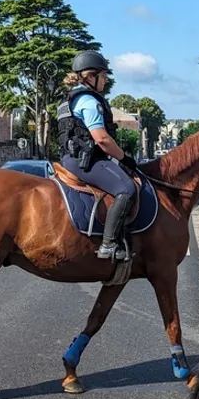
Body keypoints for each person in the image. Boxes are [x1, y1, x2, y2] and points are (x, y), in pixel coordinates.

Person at [56, 51, 139, 261]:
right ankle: (109, 244)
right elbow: (101, 139)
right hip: (84, 160)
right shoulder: (89, 102)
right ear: (91, 76)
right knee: (127, 189)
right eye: (104, 76)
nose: (106, 81)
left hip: (71, 156)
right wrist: (124, 158)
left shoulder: (70, 98)